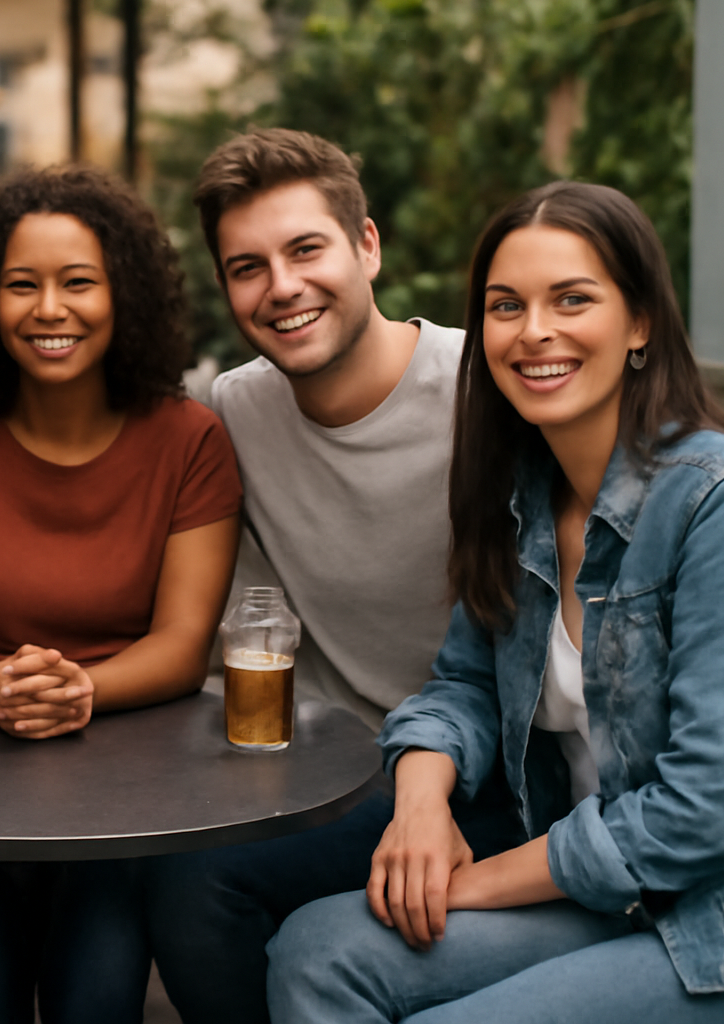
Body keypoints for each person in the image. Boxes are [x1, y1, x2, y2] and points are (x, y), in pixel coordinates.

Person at [266, 180, 724, 1022]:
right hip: (598, 895)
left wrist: (475, 884)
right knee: (315, 955)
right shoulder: (526, 492)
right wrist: (422, 806)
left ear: (640, 322)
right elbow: (462, 686)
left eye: (572, 299)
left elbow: (699, 813)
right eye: (507, 306)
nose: (534, 330)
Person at [142, 126, 521, 1022]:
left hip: (496, 778)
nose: (282, 287)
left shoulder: (493, 390)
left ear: (368, 246)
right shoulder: (232, 407)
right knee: (166, 870)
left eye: (306, 248)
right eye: (247, 266)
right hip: (322, 771)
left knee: (199, 878)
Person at [0, 165, 242, 1023]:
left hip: (128, 799)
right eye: (20, 285)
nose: (49, 310)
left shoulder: (191, 439)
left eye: (79, 282)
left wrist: (83, 691)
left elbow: (184, 647)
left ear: (126, 296)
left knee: (96, 1005)